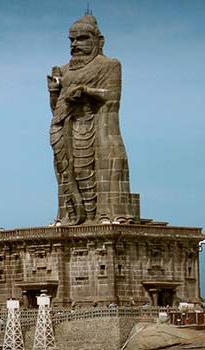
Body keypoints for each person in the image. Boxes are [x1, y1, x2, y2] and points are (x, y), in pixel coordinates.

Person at [48, 13, 138, 225]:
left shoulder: (109, 65)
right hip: (68, 130)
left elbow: (112, 98)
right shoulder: (63, 70)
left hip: (98, 129)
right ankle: (72, 216)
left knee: (101, 171)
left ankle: (106, 215)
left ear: (99, 41)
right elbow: (57, 110)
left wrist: (86, 91)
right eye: (72, 40)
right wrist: (54, 92)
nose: (76, 44)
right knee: (69, 172)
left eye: (82, 39)